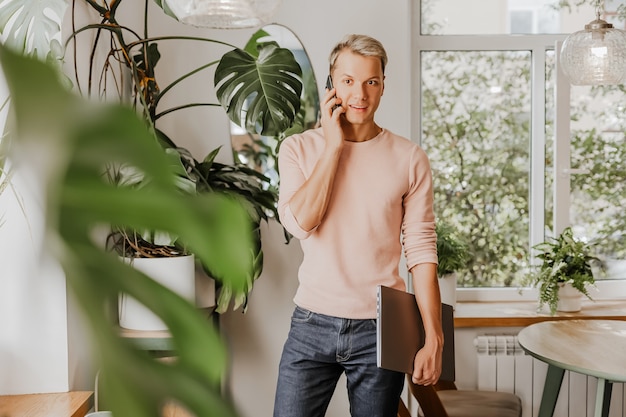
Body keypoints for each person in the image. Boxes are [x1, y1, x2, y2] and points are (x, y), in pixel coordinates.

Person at [273, 34, 443, 417]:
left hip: (381, 327)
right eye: (348, 81)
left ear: (383, 86)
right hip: (311, 323)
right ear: (331, 85)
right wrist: (333, 147)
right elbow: (301, 223)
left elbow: (420, 249)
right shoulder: (298, 149)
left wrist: (435, 337)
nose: (360, 94)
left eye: (371, 82)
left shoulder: (410, 158)